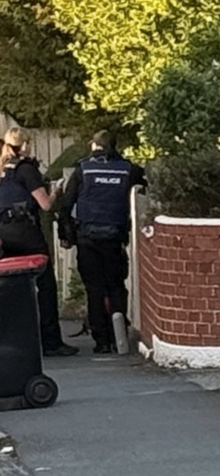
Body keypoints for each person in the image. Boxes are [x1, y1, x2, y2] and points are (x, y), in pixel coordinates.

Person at [0, 128, 77, 357]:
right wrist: (56, 191)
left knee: (11, 289)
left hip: (1, 234)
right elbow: (45, 205)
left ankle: (17, 340)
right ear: (24, 145)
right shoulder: (26, 169)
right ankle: (51, 341)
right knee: (45, 286)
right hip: (26, 234)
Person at [58, 131, 146, 355]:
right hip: (114, 238)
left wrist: (65, 236)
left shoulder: (83, 169)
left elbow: (66, 205)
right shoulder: (128, 169)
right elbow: (145, 187)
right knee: (116, 286)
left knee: (94, 289)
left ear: (95, 146)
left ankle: (101, 341)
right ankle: (119, 336)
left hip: (87, 238)